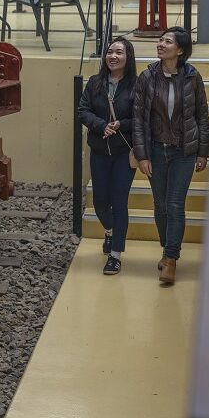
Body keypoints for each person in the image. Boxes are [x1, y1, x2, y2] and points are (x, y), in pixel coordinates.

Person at [132, 27, 209, 286]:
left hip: (183, 152)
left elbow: (201, 115)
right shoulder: (147, 77)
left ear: (180, 50)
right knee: (160, 206)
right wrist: (142, 155)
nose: (161, 44)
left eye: (167, 41)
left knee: (175, 204)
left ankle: (171, 260)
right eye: (161, 40)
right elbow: (139, 120)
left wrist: (202, 150)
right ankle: (168, 248)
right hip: (156, 150)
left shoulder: (192, 77)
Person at [77, 37, 138, 275]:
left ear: (128, 57)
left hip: (124, 153)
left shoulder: (137, 85)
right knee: (101, 202)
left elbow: (142, 118)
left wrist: (120, 124)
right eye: (110, 52)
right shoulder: (95, 82)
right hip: (100, 151)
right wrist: (101, 125)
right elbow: (83, 110)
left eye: (119, 52)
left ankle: (115, 255)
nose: (113, 56)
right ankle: (111, 232)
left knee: (119, 201)